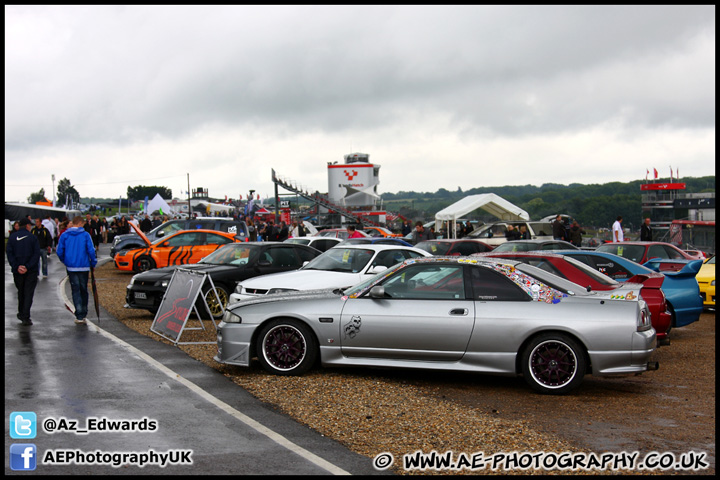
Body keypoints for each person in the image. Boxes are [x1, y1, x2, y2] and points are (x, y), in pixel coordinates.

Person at [57, 216, 98, 325]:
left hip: (71, 266)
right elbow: (91, 250)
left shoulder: (65, 235)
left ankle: (79, 313)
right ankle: (83, 311)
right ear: (80, 223)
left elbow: (59, 250)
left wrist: (65, 260)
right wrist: (93, 262)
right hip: (84, 266)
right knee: (83, 289)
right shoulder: (85, 235)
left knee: (75, 290)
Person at [6, 218, 41, 325]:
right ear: (27, 226)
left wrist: (17, 266)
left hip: (17, 271)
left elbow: (9, 254)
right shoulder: (33, 238)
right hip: (31, 270)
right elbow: (36, 254)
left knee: (21, 292)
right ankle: (25, 315)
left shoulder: (12, 238)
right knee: (28, 293)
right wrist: (27, 266)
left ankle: (21, 312)